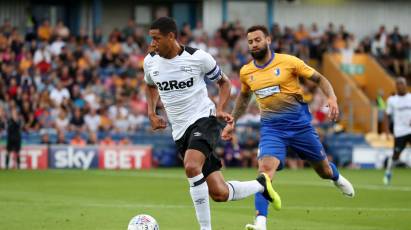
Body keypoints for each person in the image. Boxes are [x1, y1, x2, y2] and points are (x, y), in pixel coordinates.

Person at [144, 17, 280, 230]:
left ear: (171, 37)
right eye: (151, 39)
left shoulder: (198, 58)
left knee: (191, 166)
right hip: (179, 130)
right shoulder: (150, 60)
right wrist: (151, 113)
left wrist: (220, 108)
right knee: (219, 193)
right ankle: (261, 185)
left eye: (156, 39)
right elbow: (150, 85)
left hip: (204, 119)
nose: (152, 44)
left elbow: (224, 83)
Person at [221, 25, 355, 230]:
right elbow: (244, 96)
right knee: (264, 173)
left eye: (257, 40)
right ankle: (260, 222)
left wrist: (332, 98)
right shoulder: (246, 71)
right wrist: (233, 121)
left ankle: (335, 177)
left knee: (323, 171)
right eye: (250, 41)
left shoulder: (289, 62)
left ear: (268, 40)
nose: (254, 44)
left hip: (301, 128)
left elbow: (319, 79)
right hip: (272, 131)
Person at [383, 77, 411, 185]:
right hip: (400, 132)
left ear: (405, 85)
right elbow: (387, 115)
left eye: (401, 83)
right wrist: (386, 131)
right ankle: (388, 172)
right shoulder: (392, 100)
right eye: (397, 84)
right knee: (396, 155)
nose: (399, 86)